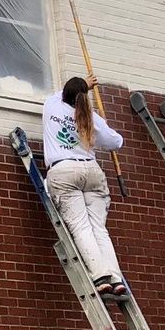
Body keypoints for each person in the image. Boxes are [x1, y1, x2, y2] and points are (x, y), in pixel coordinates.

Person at [42, 77, 127, 298]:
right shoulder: (91, 117)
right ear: (84, 96)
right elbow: (116, 142)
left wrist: (84, 84)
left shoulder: (51, 104)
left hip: (63, 171)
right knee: (99, 228)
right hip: (91, 171)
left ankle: (100, 276)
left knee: (81, 227)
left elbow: (63, 92)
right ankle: (116, 278)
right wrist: (102, 125)